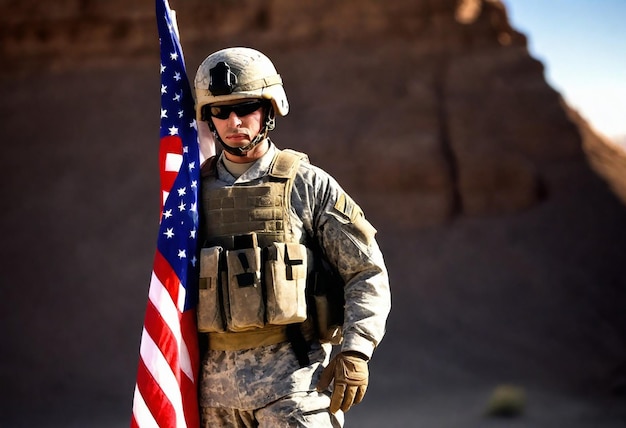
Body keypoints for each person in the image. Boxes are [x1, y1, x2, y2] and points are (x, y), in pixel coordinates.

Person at [193, 46, 391, 427]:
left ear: (269, 109)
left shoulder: (307, 184)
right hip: (213, 397)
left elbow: (366, 272)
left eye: (246, 107)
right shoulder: (192, 196)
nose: (234, 121)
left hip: (294, 384)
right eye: (220, 110)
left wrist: (356, 350)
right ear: (208, 118)